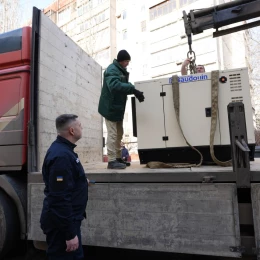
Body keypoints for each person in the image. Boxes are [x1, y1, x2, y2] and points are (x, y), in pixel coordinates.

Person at [40, 114, 88, 260]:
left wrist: (81, 181)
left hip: (64, 222)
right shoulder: (62, 156)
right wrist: (70, 234)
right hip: (62, 226)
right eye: (80, 125)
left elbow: (64, 183)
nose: (82, 127)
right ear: (72, 131)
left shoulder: (64, 151)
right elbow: (59, 198)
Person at [98, 49, 145, 169]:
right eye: (127, 61)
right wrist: (132, 89)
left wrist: (133, 91)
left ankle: (118, 158)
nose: (128, 64)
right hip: (110, 108)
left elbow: (121, 88)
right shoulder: (112, 70)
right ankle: (111, 161)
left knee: (119, 134)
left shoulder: (120, 70)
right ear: (122, 61)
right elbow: (114, 86)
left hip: (117, 108)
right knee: (113, 134)